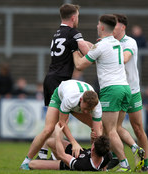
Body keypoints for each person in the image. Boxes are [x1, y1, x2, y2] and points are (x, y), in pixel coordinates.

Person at [73, 14, 134, 172]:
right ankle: (124, 154)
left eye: (97, 24)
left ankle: (123, 163)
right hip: (125, 88)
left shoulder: (100, 46)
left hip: (111, 89)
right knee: (113, 129)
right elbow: (100, 56)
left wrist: (74, 49)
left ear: (101, 27)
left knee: (109, 130)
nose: (96, 26)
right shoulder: (117, 43)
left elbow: (80, 65)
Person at [37, 3, 90, 159]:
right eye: (78, 16)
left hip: (50, 77)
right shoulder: (73, 32)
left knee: (54, 121)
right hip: (60, 81)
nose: (78, 19)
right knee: (58, 120)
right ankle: (53, 152)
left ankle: (44, 152)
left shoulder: (57, 33)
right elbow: (86, 52)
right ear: (73, 17)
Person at [20, 80, 103, 170]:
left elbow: (98, 132)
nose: (86, 112)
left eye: (90, 109)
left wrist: (98, 154)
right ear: (81, 100)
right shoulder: (70, 99)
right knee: (48, 129)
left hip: (75, 102)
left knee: (99, 128)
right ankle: (26, 162)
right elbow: (62, 123)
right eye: (86, 108)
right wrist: (74, 143)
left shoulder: (96, 105)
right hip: (60, 98)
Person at [112, 14, 148, 172]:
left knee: (138, 128)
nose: (112, 28)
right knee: (113, 127)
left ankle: (144, 164)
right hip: (118, 90)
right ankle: (117, 159)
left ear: (123, 27)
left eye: (114, 25)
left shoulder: (130, 42)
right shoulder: (109, 42)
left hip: (132, 91)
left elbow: (125, 58)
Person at [28, 122, 111, 171]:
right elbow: (104, 162)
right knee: (50, 142)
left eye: (93, 143)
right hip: (78, 151)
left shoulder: (82, 165)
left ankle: (50, 158)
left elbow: (61, 155)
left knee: (32, 164)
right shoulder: (107, 154)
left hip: (67, 162)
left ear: (93, 148)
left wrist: (57, 135)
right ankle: (49, 156)